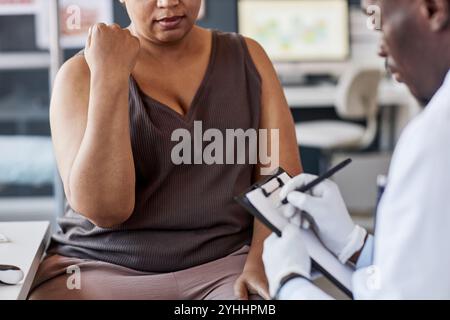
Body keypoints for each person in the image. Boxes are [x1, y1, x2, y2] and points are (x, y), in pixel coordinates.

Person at [29, 0, 301, 300]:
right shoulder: (80, 74)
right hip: (95, 269)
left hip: (224, 268)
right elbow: (106, 211)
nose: (168, 2)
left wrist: (261, 259)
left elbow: (280, 181)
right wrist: (109, 78)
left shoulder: (249, 57)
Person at [263, 0, 450, 300]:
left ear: (432, 9)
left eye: (380, 19)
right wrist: (355, 244)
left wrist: (289, 283)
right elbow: (429, 275)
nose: (380, 48)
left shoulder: (436, 136)